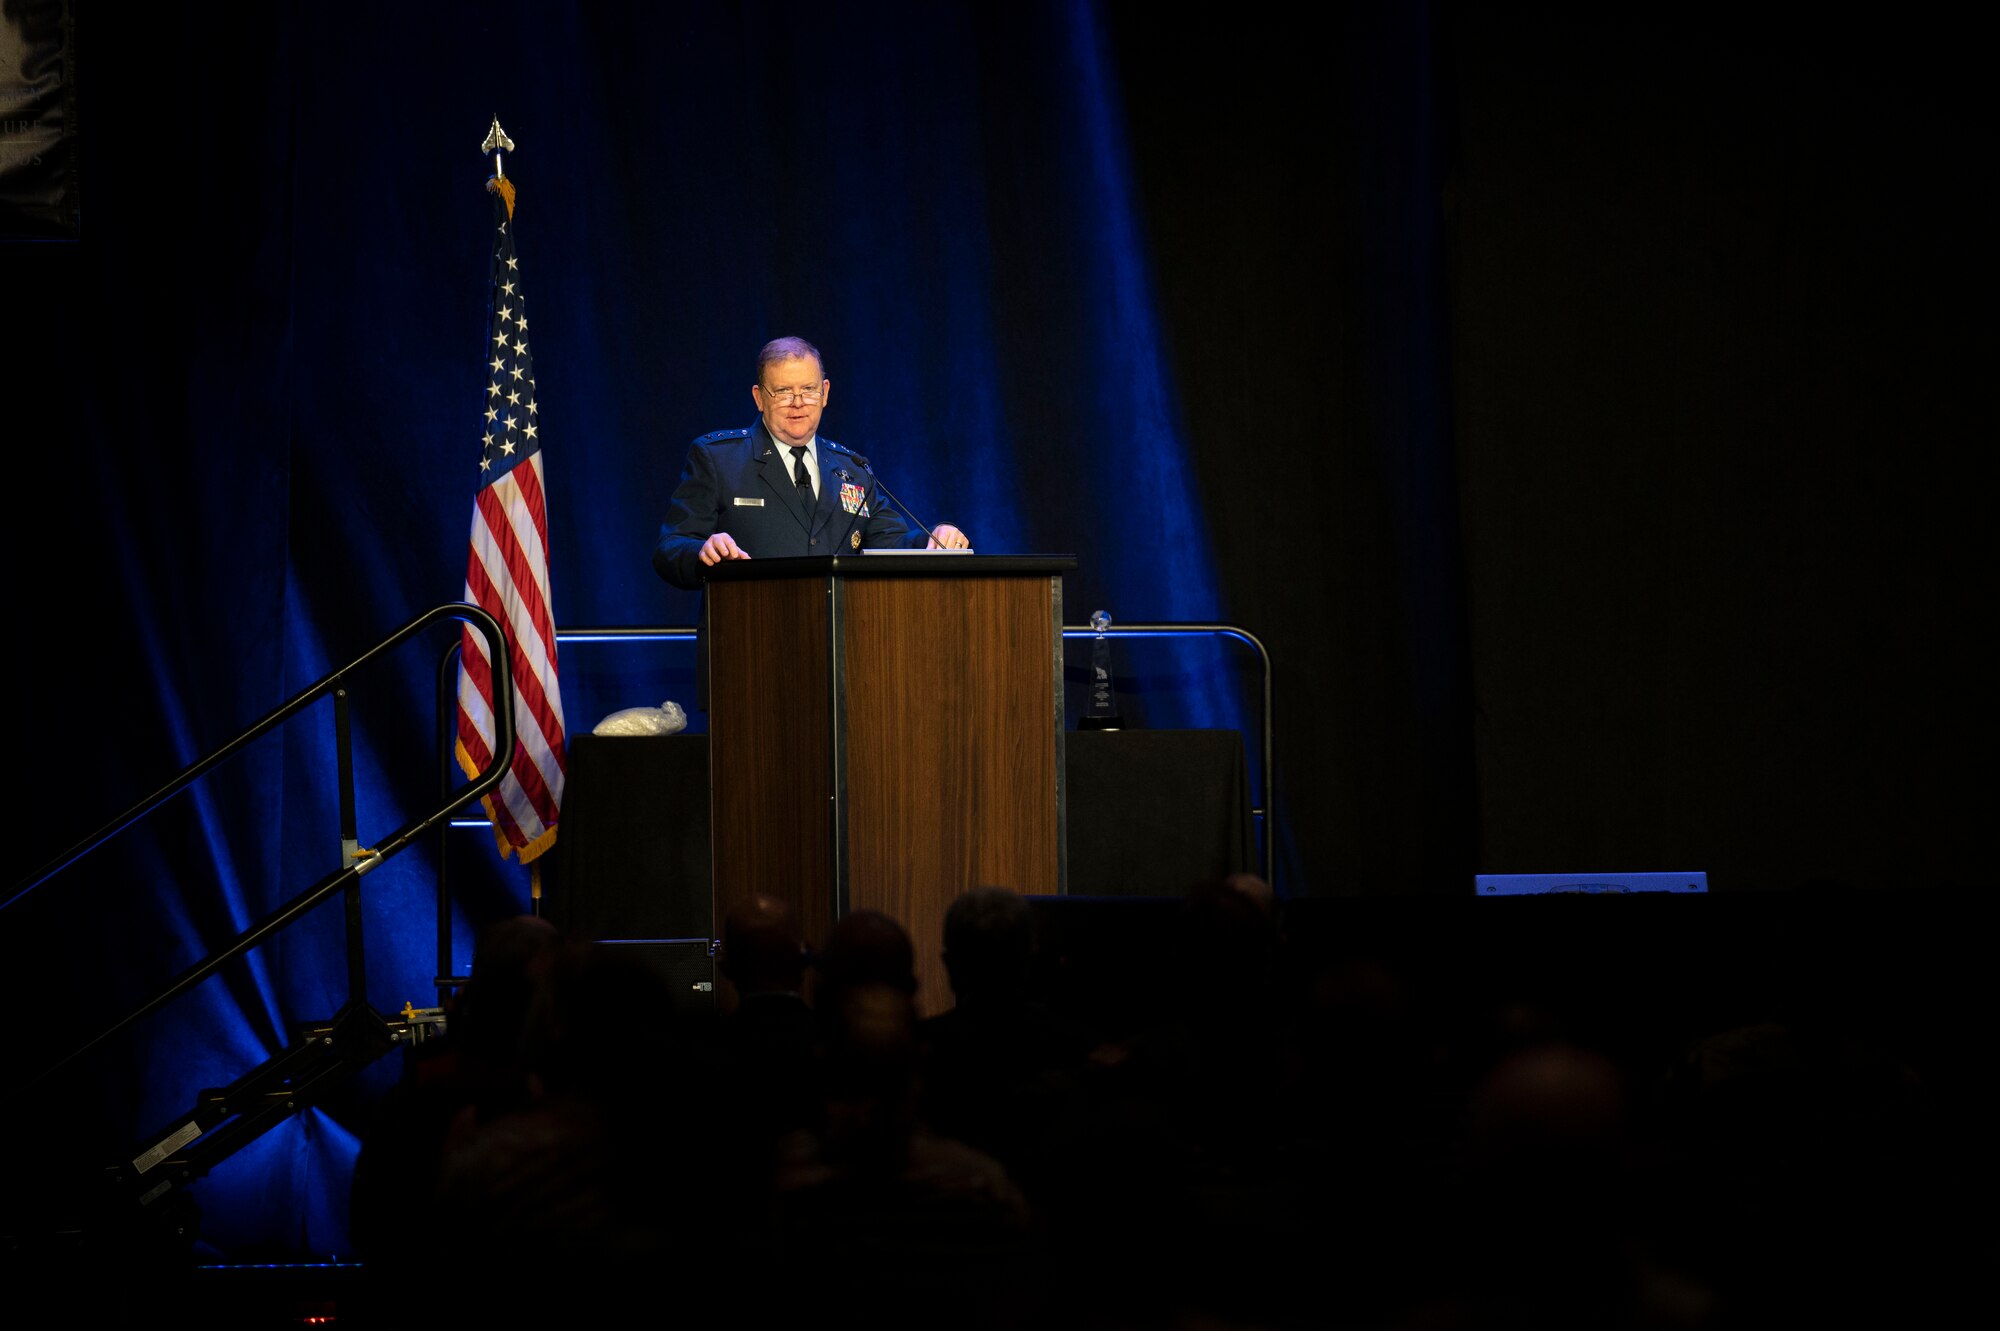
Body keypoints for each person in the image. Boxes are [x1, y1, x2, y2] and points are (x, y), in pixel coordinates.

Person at [652, 336, 969, 589]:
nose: (798, 403)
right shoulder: (719, 459)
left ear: (825, 392)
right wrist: (703, 551)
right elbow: (670, 548)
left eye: (808, 390)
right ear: (759, 397)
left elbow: (891, 544)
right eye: (783, 392)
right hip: (748, 640)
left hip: (836, 645)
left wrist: (933, 538)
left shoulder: (853, 469)